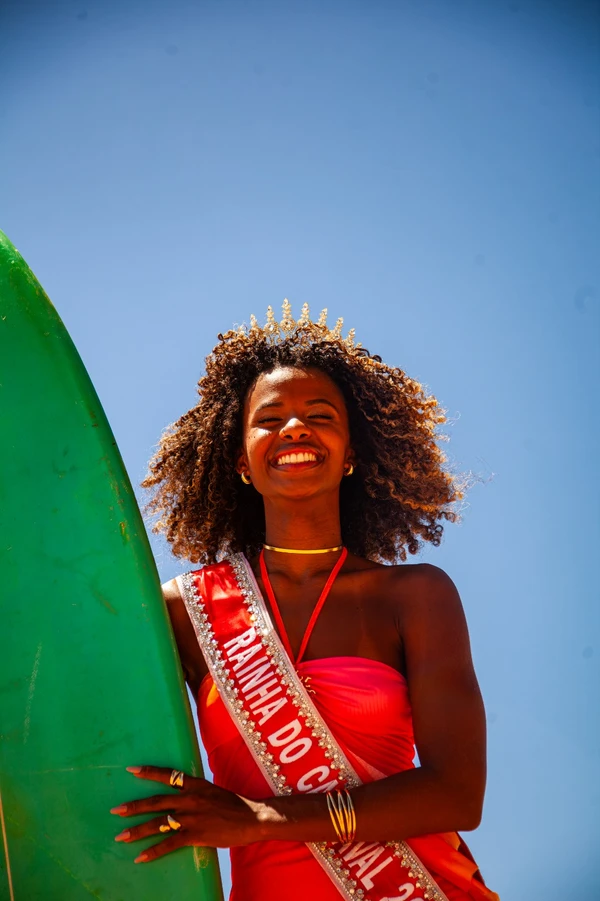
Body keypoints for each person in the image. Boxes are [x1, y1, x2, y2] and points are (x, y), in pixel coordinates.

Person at [110, 301, 499, 901]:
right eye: (270, 419)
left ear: (351, 454)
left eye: (321, 416)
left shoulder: (416, 596)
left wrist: (261, 819)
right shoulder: (186, 611)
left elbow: (457, 794)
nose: (295, 429)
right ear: (240, 459)